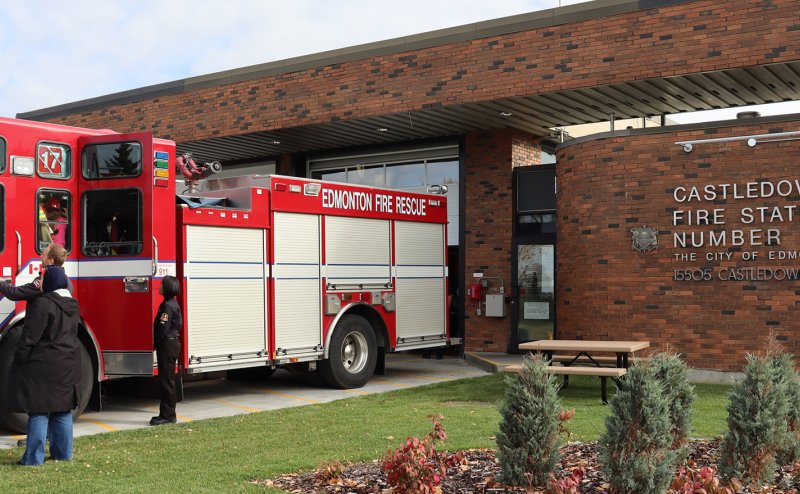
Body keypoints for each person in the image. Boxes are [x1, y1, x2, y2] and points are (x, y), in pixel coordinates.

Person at [7, 265, 81, 465]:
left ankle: (33, 458)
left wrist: (19, 358)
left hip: (44, 365)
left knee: (38, 410)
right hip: (68, 364)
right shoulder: (73, 304)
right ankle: (63, 454)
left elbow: (30, 337)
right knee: (62, 410)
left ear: (49, 282)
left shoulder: (43, 304)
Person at [150, 275, 182, 426]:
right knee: (167, 380)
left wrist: (154, 342)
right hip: (171, 344)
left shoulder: (168, 306)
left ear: (167, 287)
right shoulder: (171, 303)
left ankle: (167, 416)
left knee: (166, 381)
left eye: (162, 284)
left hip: (167, 345)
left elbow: (162, 328)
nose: (160, 286)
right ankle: (167, 414)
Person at [0, 243, 72, 301]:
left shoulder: (44, 281)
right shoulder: (67, 281)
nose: (41, 256)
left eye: (44, 255)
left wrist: (1, 283)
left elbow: (14, 293)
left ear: (51, 261)